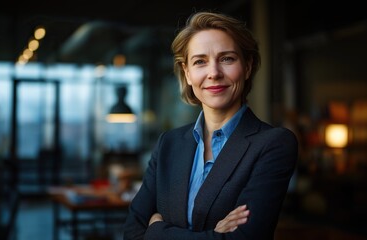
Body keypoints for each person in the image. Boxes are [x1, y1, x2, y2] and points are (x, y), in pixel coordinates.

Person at [123, 11, 298, 240]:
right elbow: (132, 233)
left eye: (227, 59)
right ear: (187, 73)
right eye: (200, 62)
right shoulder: (169, 143)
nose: (214, 73)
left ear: (247, 66)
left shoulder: (273, 144)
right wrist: (213, 235)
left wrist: (157, 231)